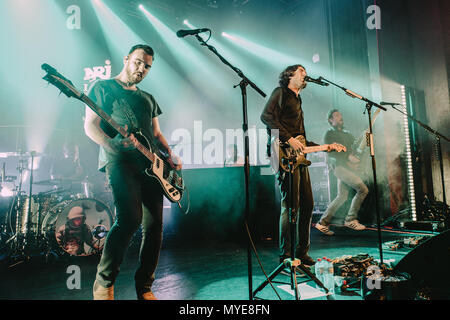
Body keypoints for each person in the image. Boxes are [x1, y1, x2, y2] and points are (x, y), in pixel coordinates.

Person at [84, 44, 182, 300]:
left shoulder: (148, 98)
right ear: (126, 59)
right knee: (129, 219)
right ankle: (104, 283)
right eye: (138, 62)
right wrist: (111, 145)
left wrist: (170, 155)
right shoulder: (102, 87)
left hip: (151, 167)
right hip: (120, 162)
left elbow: (157, 134)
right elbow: (90, 125)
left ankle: (145, 287)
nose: (142, 69)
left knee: (155, 227)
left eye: (147, 66)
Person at [260, 65, 342, 266]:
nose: (305, 75)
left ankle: (302, 252)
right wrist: (287, 138)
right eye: (301, 72)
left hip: (298, 157)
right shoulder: (280, 93)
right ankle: (286, 256)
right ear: (289, 76)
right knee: (291, 206)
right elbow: (266, 117)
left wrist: (326, 146)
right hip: (282, 154)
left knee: (308, 204)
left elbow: (302, 141)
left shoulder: (298, 99)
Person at [315, 109, 368, 236]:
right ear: (330, 120)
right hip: (339, 167)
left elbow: (354, 148)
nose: (341, 117)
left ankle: (322, 223)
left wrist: (363, 138)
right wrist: (348, 158)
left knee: (342, 196)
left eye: (340, 115)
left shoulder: (347, 134)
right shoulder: (329, 134)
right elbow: (330, 152)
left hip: (347, 168)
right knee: (363, 189)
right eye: (337, 116)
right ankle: (350, 219)